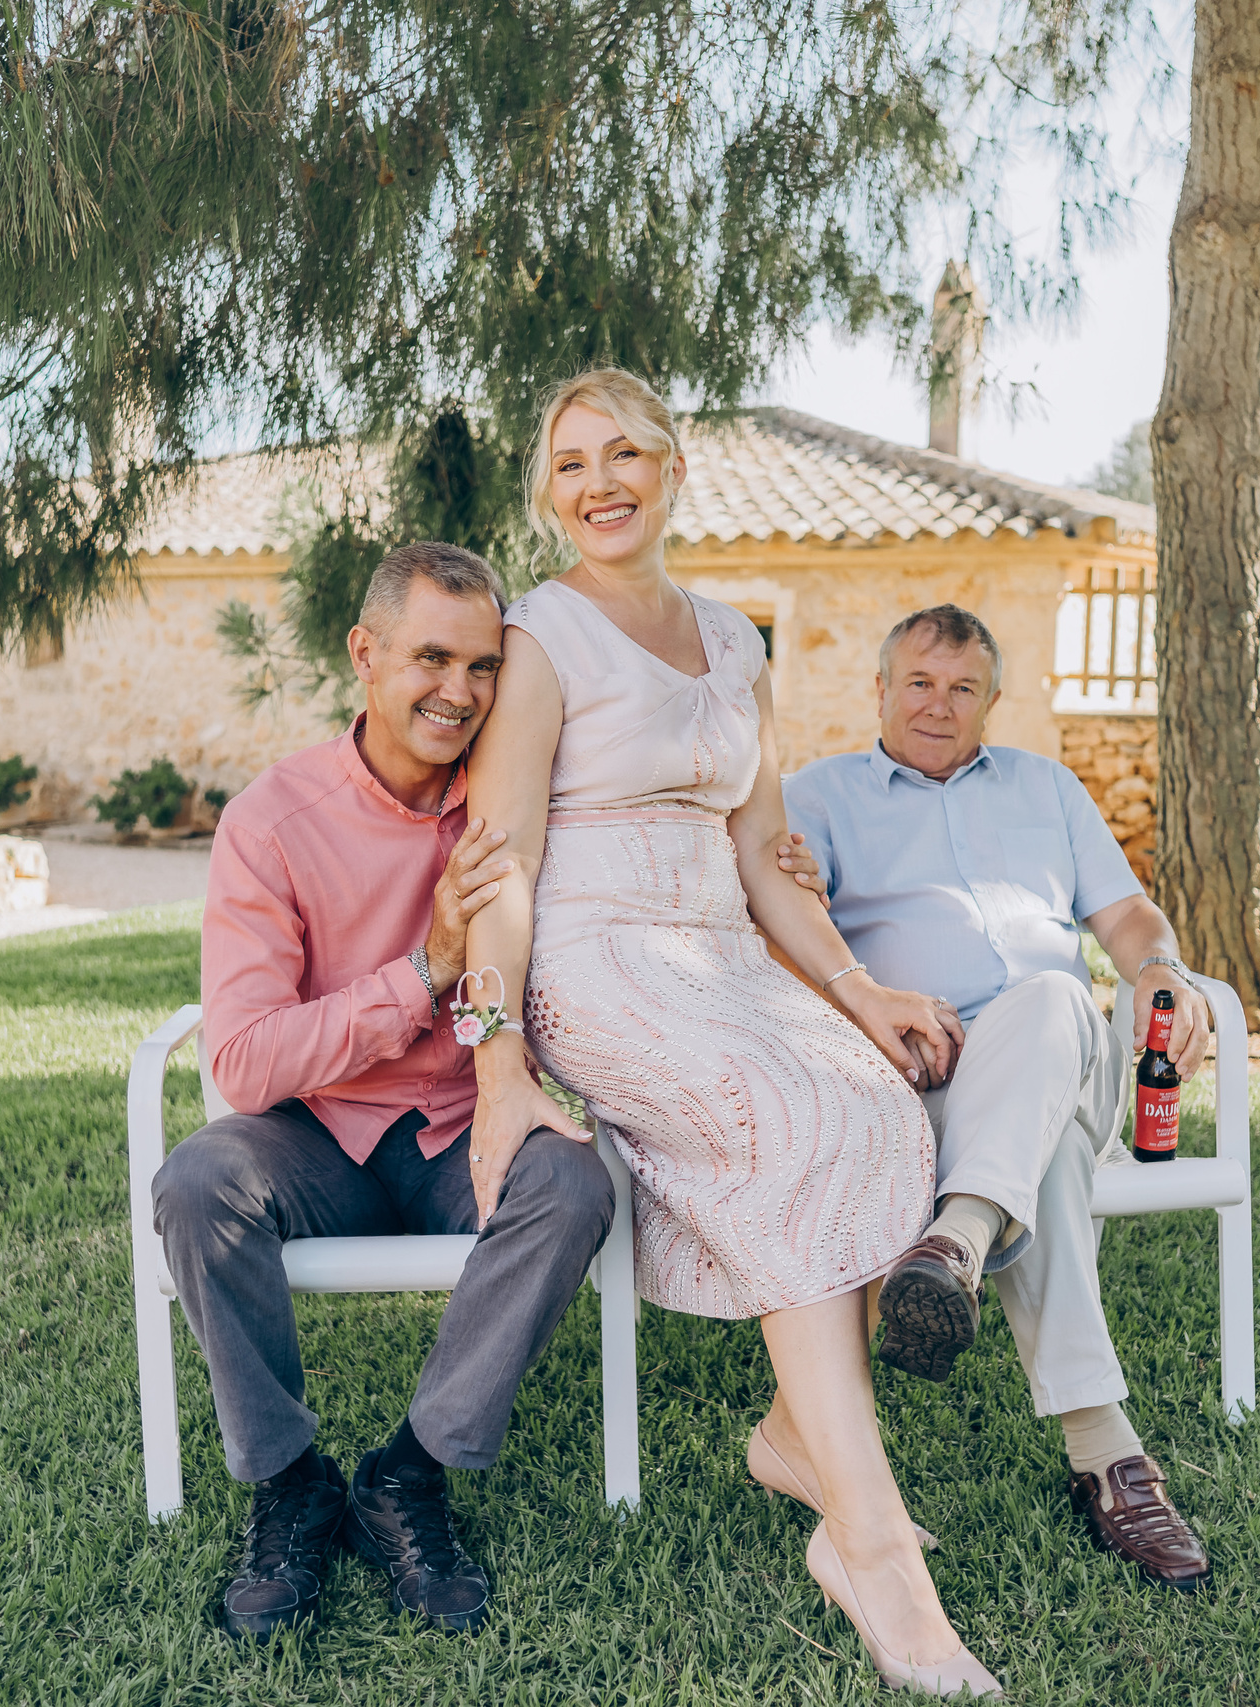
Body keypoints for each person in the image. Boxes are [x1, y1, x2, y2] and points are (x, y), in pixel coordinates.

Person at [462, 368, 1000, 1698]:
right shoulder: (543, 634)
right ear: (551, 490)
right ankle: (872, 1549)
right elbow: (501, 859)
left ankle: (790, 1433)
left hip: (726, 950)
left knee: (878, 1098)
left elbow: (766, 854)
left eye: (625, 453)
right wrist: (496, 1059)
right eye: (573, 461)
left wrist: (860, 990)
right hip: (597, 954)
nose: (600, 482)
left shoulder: (734, 640)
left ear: (672, 467)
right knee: (793, 1116)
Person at [149, 541, 610, 1641]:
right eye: (430, 659)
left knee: (575, 1185)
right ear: (365, 654)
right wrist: (422, 975)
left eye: (483, 666)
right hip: (317, 1142)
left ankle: (406, 1475)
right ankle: (290, 1482)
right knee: (196, 1183)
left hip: (468, 1129)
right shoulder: (272, 822)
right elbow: (246, 1063)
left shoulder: (515, 801)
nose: (459, 692)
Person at [779, 602, 1217, 1591]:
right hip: (918, 1087)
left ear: (991, 700)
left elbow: (1129, 917)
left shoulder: (1046, 788)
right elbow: (791, 944)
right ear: (880, 690)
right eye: (919, 683)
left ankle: (954, 1245)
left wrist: (1159, 972)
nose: (938, 705)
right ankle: (1108, 1458)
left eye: (962, 688)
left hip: (1054, 1052)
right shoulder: (815, 797)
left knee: (1059, 994)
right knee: (1049, 1156)